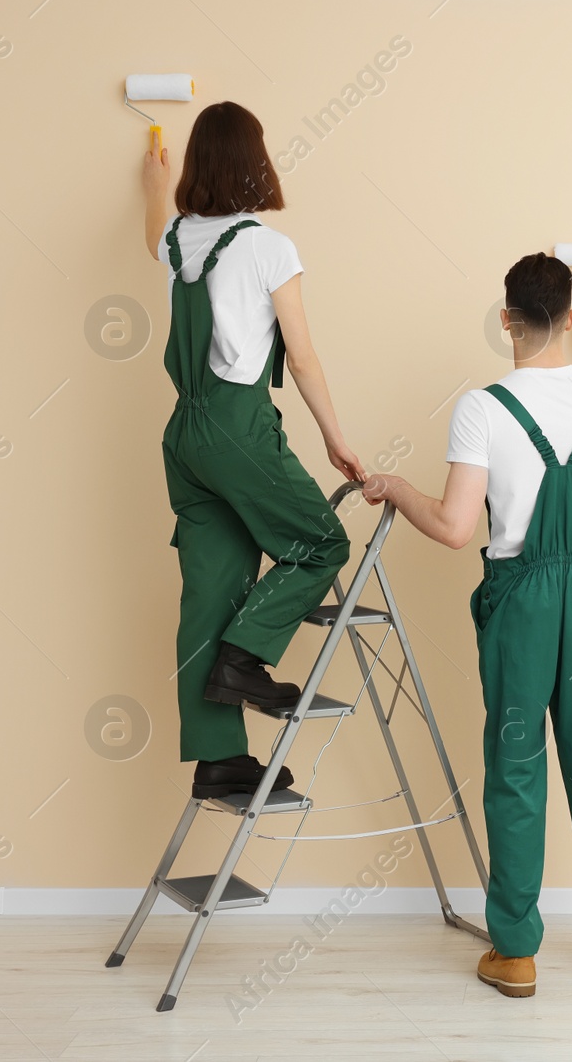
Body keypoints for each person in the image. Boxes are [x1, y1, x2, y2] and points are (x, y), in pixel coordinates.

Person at [363, 253, 572, 998]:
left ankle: (517, 952)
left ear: (506, 321)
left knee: (518, 768)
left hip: (522, 602)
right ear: (566, 313)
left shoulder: (484, 407)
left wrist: (396, 488)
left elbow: (458, 527)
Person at [141, 101, 365, 799]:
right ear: (253, 161)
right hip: (238, 427)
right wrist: (337, 441)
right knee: (320, 544)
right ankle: (242, 659)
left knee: (210, 589)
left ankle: (219, 759)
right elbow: (301, 360)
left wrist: (155, 179)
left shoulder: (181, 238)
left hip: (185, 436)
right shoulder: (268, 246)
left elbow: (154, 227)